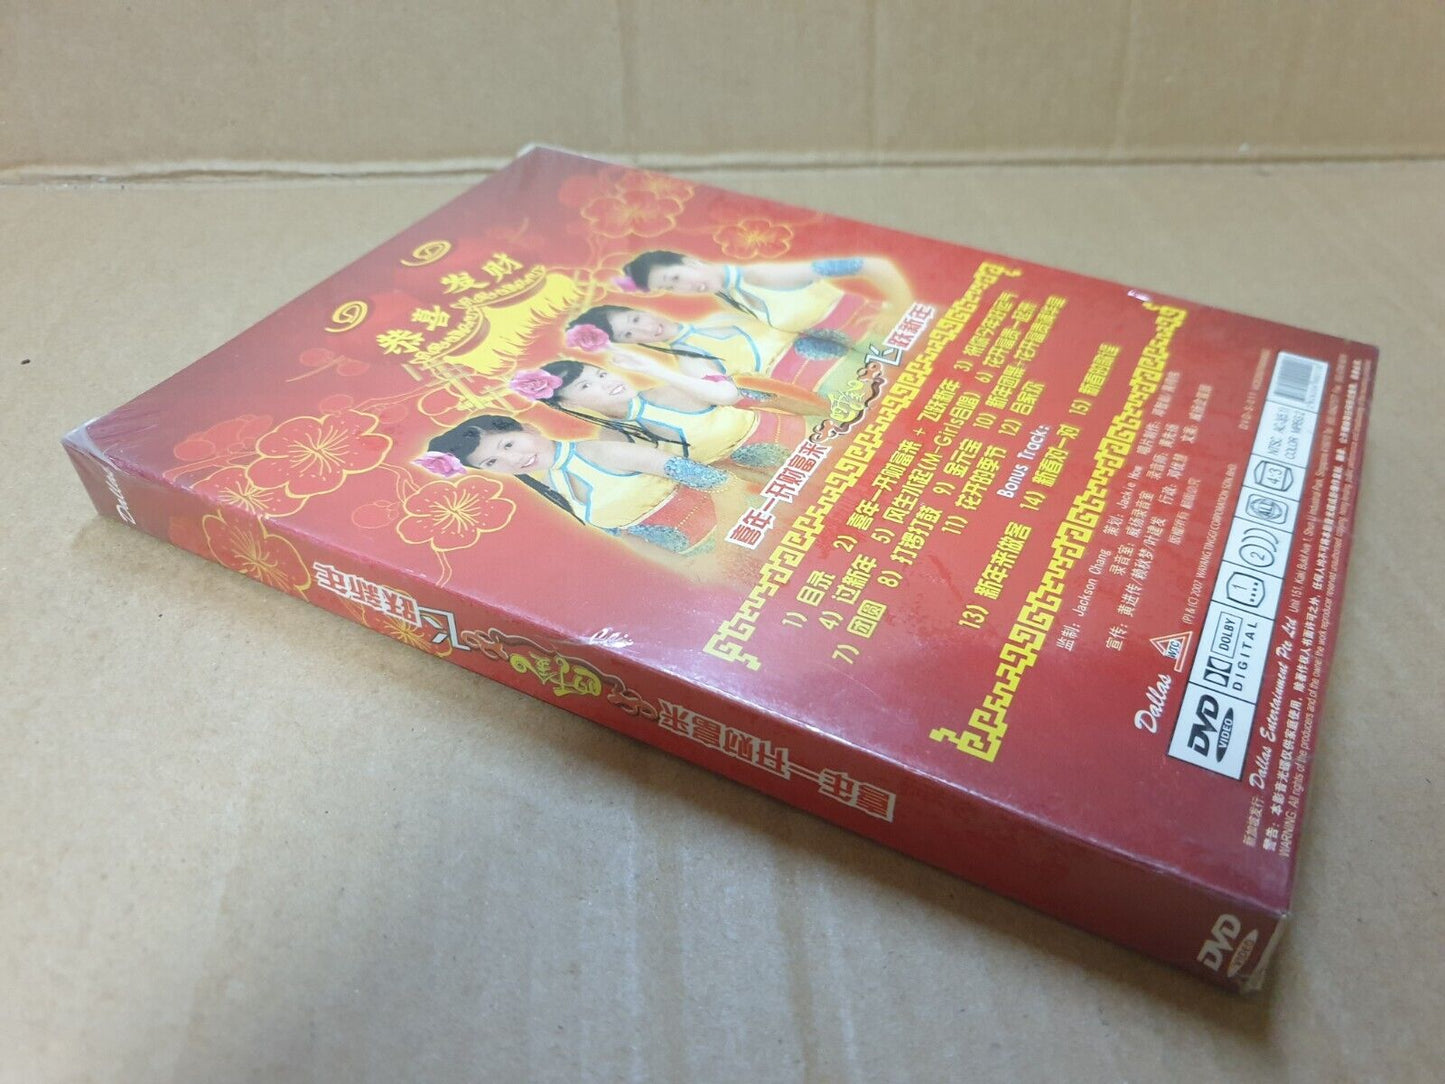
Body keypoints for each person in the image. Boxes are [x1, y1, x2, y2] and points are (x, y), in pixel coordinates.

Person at [417, 414, 729, 554]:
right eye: (491, 462)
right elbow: (628, 538)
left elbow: (705, 478)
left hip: (732, 526)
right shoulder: (555, 484)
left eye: (508, 444)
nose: (512, 460)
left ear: (529, 428)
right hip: (699, 560)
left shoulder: (598, 452)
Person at [511, 353, 813, 470]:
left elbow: (735, 395)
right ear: (568, 404)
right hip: (755, 479)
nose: (607, 383)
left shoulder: (669, 389)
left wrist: (658, 369)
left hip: (801, 441)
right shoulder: (611, 440)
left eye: (601, 374)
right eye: (586, 386)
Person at [565, 304, 853, 405]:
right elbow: (725, 395)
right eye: (629, 334)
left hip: (846, 351)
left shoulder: (718, 313)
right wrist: (653, 369)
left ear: (639, 309)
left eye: (635, 319)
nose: (646, 329)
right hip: (823, 389)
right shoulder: (689, 359)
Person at [618, 250, 912, 335]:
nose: (684, 288)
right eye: (670, 287)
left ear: (691, 262)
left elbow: (873, 264)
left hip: (888, 331)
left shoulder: (761, 274)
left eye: (675, 277)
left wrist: (901, 311)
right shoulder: (728, 296)